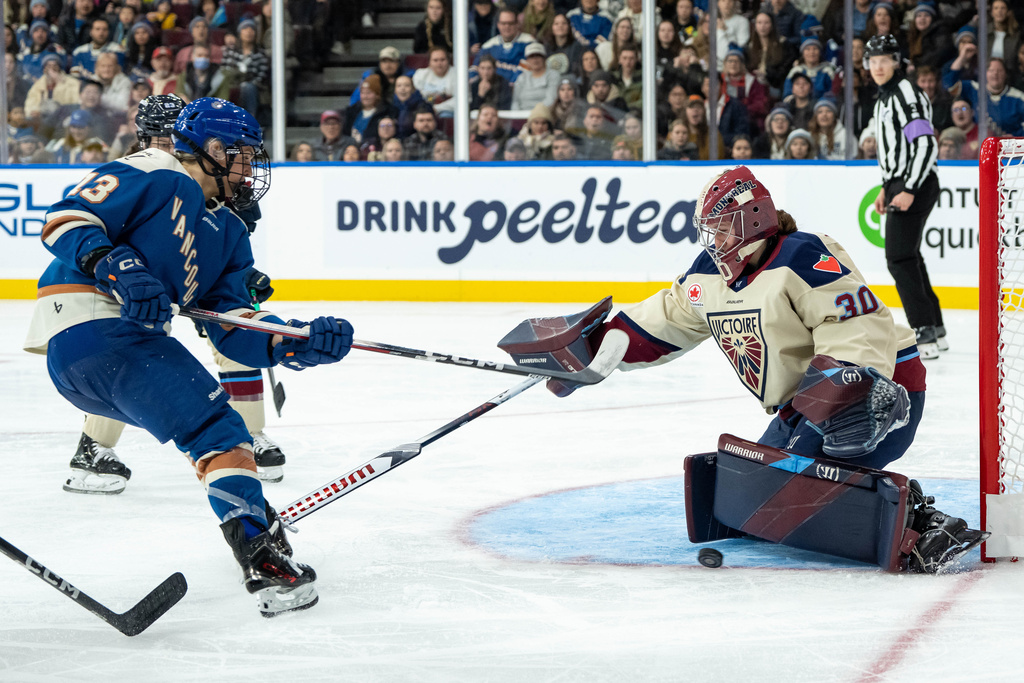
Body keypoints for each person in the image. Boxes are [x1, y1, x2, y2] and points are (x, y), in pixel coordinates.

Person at [510, 164, 986, 574]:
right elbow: (664, 320)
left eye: (720, 228)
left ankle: (923, 527)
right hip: (807, 403)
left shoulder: (805, 255)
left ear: (752, 219)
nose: (712, 240)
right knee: (750, 504)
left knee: (790, 494)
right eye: (708, 230)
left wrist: (852, 387)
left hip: (878, 391)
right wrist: (593, 352)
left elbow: (855, 323)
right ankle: (858, 488)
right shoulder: (707, 275)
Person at [24, 97, 352, 616]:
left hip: (106, 360)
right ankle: (261, 558)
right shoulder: (157, 170)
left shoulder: (230, 230)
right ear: (214, 149)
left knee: (211, 430)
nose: (251, 167)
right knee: (218, 430)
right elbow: (65, 218)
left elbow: (231, 328)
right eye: (244, 154)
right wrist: (113, 263)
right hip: (93, 331)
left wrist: (297, 340)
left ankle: (251, 518)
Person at [61, 94, 292, 493]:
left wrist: (243, 278)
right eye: (162, 138)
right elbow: (83, 222)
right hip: (122, 292)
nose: (171, 146)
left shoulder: (217, 176)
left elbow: (218, 245)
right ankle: (93, 445)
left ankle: (250, 433)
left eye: (174, 136)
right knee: (136, 353)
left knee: (231, 338)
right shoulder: (147, 172)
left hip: (182, 286)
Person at [867, 34, 945, 359]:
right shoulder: (884, 98)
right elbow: (895, 150)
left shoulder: (905, 94)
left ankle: (923, 331)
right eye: (873, 61)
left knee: (898, 257)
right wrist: (888, 187)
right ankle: (935, 327)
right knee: (908, 255)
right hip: (902, 182)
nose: (878, 66)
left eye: (885, 60)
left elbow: (925, 144)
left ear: (897, 61)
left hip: (917, 182)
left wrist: (909, 187)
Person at [943, 54, 1024, 138]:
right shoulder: (974, 89)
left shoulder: (1019, 98)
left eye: (999, 70)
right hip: (977, 144)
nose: (995, 74)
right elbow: (949, 84)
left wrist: (1016, 137)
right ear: (984, 74)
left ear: (1006, 74)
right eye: (991, 70)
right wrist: (963, 56)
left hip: (1010, 147)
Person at [474, 8, 535, 83]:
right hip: (494, 90)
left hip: (521, 88)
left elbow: (531, 69)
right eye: (503, 23)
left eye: (510, 23)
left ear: (517, 24)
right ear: (498, 25)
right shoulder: (488, 46)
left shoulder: (529, 43)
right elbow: (474, 69)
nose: (507, 27)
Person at [512, 42, 559, 110]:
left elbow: (551, 100)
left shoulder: (553, 75)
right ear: (527, 60)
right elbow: (515, 101)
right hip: (521, 116)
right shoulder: (521, 78)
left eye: (538, 56)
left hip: (543, 115)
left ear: (544, 58)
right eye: (531, 57)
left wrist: (535, 115)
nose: (535, 60)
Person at [412, 46, 456, 116]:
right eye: (435, 60)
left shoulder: (457, 74)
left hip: (448, 111)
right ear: (429, 62)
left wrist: (436, 108)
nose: (439, 63)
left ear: (448, 60)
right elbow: (418, 98)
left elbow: (461, 100)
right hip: (425, 109)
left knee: (445, 115)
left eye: (442, 60)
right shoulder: (420, 75)